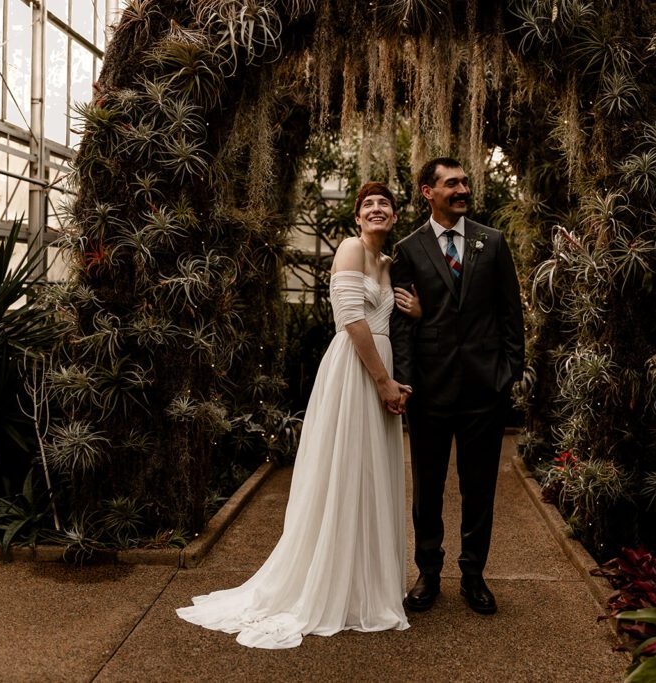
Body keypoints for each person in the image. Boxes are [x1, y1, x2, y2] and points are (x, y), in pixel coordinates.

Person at [176, 182, 421, 649]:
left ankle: (367, 584)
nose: (376, 209)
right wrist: (383, 381)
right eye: (367, 204)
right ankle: (334, 584)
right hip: (356, 370)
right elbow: (351, 318)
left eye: (384, 205)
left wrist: (418, 315)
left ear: (393, 217)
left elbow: (394, 317)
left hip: (379, 368)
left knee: (372, 475)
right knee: (345, 470)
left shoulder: (390, 265)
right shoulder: (350, 248)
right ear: (356, 217)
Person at [390, 157, 525, 615]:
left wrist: (508, 375)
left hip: (485, 391)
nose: (462, 189)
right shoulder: (408, 249)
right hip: (429, 390)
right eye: (452, 183)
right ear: (428, 191)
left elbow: (512, 316)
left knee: (479, 487)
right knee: (427, 488)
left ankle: (473, 575)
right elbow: (403, 325)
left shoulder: (493, 241)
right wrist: (404, 383)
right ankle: (428, 573)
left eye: (465, 182)